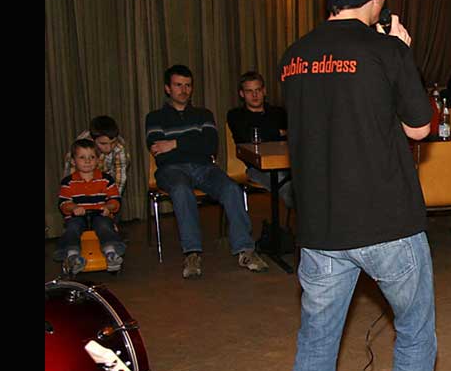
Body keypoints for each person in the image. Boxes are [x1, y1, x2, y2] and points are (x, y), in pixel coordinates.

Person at [274, 0, 436, 371]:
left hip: (321, 229)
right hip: (389, 224)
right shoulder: (386, 50)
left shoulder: (294, 56)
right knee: (414, 334)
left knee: (316, 349)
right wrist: (403, 55)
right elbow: (419, 129)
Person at [146, 65, 268, 278]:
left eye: (188, 85)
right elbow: (160, 153)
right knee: (181, 190)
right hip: (171, 169)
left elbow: (210, 146)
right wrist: (193, 143)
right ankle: (192, 253)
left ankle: (246, 250)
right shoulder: (154, 118)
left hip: (205, 167)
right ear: (167, 88)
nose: (184, 90)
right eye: (178, 85)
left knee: (231, 188)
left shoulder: (204, 114)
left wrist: (173, 143)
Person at [226, 70, 294, 212]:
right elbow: (247, 138)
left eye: (258, 90)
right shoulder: (235, 115)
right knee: (286, 185)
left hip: (286, 163)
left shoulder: (278, 112)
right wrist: (278, 132)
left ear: (264, 91)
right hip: (256, 168)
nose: (255, 95)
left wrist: (267, 133)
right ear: (242, 94)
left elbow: (291, 136)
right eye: (249, 91)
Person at [58, 138, 126, 273]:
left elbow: (115, 200)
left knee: (104, 225)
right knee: (72, 227)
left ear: (98, 160)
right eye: (82, 157)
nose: (87, 161)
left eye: (92, 157)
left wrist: (108, 207)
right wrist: (74, 208)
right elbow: (64, 203)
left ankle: (111, 253)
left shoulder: (106, 179)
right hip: (77, 217)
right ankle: (72, 256)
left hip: (99, 214)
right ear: (73, 161)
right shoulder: (68, 182)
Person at [66, 115, 130, 196]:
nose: (109, 148)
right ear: (93, 140)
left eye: (113, 143)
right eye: (103, 143)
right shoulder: (80, 147)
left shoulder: (119, 148)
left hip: (106, 179)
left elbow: (120, 179)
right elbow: (71, 174)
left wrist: (113, 199)